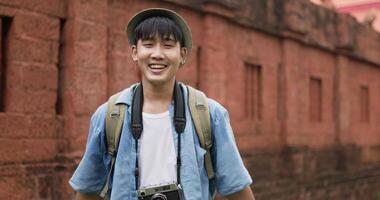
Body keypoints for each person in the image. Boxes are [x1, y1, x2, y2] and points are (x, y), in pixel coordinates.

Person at [69, 8, 255, 200]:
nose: (157, 54)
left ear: (182, 54)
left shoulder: (209, 115)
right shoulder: (109, 116)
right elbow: (87, 191)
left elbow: (238, 190)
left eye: (167, 45)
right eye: (148, 44)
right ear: (135, 52)